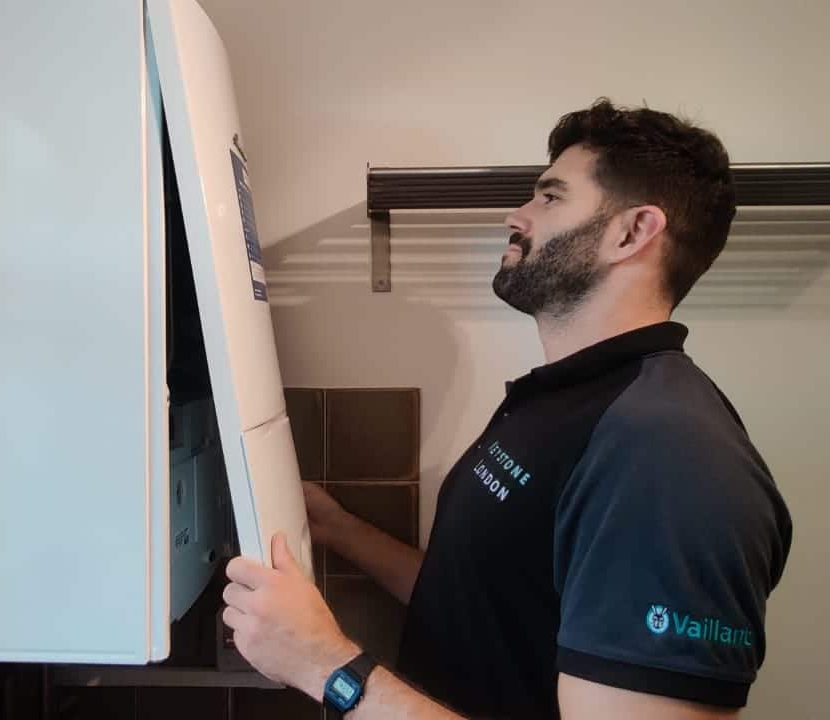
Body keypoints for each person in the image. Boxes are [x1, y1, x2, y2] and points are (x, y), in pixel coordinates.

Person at [221, 98, 794, 719]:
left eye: (550, 198)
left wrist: (324, 666)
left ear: (632, 232)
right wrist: (337, 529)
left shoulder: (670, 461)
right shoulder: (562, 403)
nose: (515, 215)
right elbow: (486, 606)